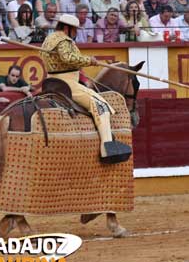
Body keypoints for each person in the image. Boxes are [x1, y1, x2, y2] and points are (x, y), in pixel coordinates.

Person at [41, 13, 131, 163]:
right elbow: (67, 58)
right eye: (75, 29)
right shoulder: (63, 40)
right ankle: (107, 147)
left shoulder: (49, 39)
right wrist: (88, 60)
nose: (76, 32)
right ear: (67, 28)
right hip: (67, 82)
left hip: (52, 80)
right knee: (100, 105)